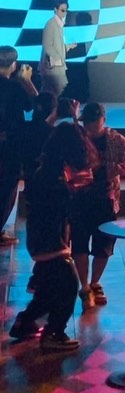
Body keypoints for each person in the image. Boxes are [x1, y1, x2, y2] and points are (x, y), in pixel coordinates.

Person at [9, 121, 93, 350]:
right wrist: (75, 191)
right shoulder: (53, 177)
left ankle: (24, 323)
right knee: (68, 286)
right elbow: (60, 206)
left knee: (48, 288)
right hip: (51, 241)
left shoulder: (47, 170)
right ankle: (54, 333)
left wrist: (70, 187)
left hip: (41, 239)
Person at [70, 102, 125, 310]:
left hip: (106, 200)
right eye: (87, 122)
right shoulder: (77, 138)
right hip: (79, 199)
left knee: (103, 246)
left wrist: (120, 168)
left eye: (95, 121)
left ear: (104, 120)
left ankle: (95, 282)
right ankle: (84, 286)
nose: (91, 127)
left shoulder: (115, 140)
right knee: (79, 243)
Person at [0, 47, 38, 245]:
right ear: (13, 65)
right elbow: (35, 104)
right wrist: (27, 81)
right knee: (7, 187)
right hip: (9, 147)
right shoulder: (14, 88)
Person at [39, 0, 76, 98]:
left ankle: (46, 106)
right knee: (53, 90)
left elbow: (57, 46)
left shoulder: (59, 25)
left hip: (56, 65)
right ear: (55, 9)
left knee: (52, 91)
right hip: (52, 66)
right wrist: (58, 58)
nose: (65, 13)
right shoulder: (51, 24)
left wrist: (68, 46)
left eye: (66, 11)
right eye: (62, 10)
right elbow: (47, 45)